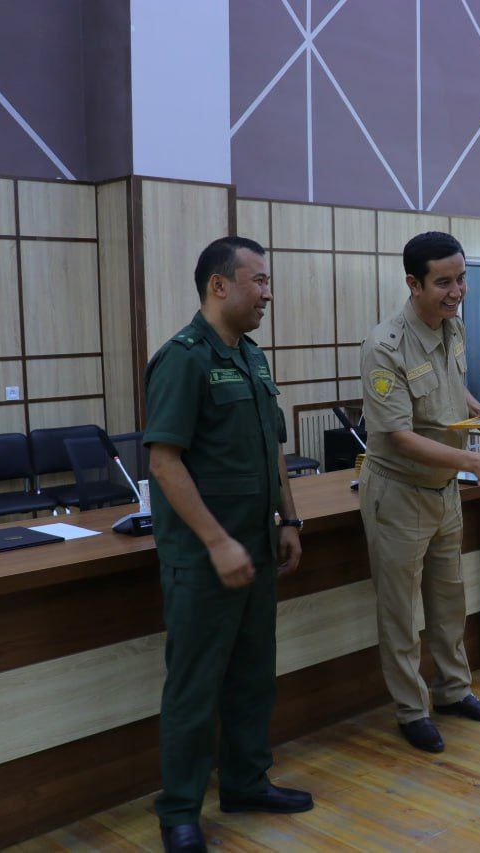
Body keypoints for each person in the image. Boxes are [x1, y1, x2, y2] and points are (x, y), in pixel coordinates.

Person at [144, 237, 312, 853]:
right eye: (258, 281)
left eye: (268, 282)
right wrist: (217, 543)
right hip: (204, 558)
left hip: (257, 549)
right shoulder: (182, 360)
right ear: (219, 285)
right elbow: (164, 463)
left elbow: (273, 446)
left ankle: (245, 783)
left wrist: (289, 519)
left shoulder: (253, 357)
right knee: (194, 689)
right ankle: (179, 813)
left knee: (252, 678)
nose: (268, 294)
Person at [359, 230, 480, 754]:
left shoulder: (454, 327)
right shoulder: (386, 346)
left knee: (450, 601)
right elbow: (398, 437)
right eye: (444, 283)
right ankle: (411, 710)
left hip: (444, 489)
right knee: (401, 613)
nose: (457, 292)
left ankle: (454, 691)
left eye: (461, 279)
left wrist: (477, 407)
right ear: (414, 283)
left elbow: (449, 384)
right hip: (399, 493)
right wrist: (474, 461)